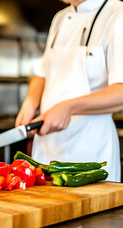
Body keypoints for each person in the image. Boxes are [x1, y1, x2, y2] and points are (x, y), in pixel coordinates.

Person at [15, 0, 123, 182]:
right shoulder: (60, 18)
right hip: (46, 150)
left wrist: (68, 107)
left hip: (90, 152)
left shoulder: (117, 14)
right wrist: (30, 102)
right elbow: (42, 74)